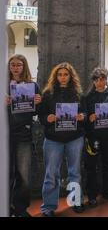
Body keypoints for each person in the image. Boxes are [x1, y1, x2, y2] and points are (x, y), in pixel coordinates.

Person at [38, 62, 86, 216]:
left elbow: (85, 113)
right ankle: (49, 207)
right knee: (51, 173)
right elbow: (41, 116)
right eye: (60, 74)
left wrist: (82, 116)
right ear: (55, 76)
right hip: (53, 139)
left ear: (71, 76)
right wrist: (48, 119)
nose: (63, 77)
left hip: (74, 138)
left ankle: (75, 202)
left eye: (66, 74)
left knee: (75, 172)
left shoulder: (78, 94)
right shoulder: (48, 94)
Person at [6, 55, 41, 217]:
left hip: (23, 134)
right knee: (6, 173)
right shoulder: (3, 85)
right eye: (12, 65)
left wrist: (38, 102)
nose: (15, 67)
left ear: (24, 66)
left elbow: (37, 113)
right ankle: (6, 207)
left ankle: (20, 209)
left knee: (24, 175)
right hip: (4, 134)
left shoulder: (32, 86)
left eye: (19, 65)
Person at [83, 67, 108, 207]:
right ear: (93, 81)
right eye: (97, 79)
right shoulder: (87, 97)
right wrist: (89, 118)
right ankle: (92, 195)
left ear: (106, 79)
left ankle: (107, 191)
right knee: (92, 167)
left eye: (102, 79)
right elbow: (83, 119)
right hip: (93, 137)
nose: (100, 82)